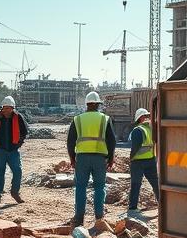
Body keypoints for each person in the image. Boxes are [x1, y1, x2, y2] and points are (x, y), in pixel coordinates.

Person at [67, 91, 116, 227]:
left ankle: (78, 218)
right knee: (99, 187)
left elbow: (70, 141)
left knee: (80, 187)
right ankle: (99, 218)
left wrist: (72, 158)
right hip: (100, 158)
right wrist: (111, 158)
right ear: (98, 105)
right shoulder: (104, 119)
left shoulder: (78, 119)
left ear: (87, 105)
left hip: (82, 158)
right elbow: (112, 140)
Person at [0, 95, 29, 204]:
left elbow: (24, 132)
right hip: (0, 151)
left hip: (13, 150)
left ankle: (15, 192)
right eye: (4, 108)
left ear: (12, 108)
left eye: (8, 108)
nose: (6, 110)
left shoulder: (18, 117)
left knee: (17, 171)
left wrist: (18, 144)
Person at [127, 107, 159, 216]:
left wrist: (131, 158)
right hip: (150, 160)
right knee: (155, 183)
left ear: (139, 118)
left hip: (138, 162)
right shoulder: (151, 129)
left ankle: (132, 208)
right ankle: (162, 204)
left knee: (136, 184)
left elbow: (135, 148)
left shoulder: (138, 130)